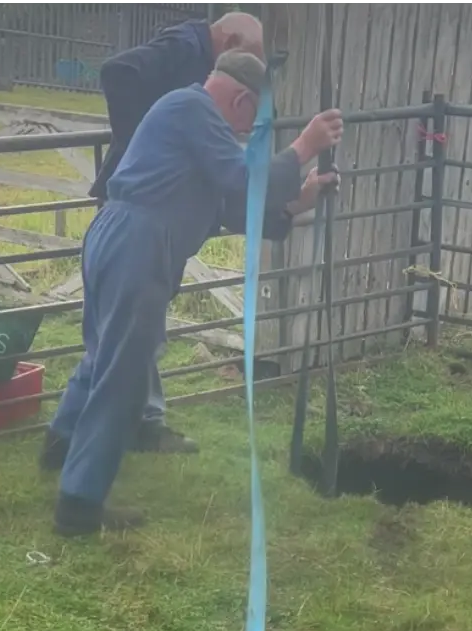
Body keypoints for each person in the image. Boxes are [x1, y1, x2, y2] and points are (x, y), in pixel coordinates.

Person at [50, 53, 343, 537]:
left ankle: (62, 443)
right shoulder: (194, 110)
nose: (251, 132)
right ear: (241, 100)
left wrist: (299, 198)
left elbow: (233, 205)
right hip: (138, 242)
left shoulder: (190, 117)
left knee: (105, 352)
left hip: (123, 235)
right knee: (124, 374)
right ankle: (78, 504)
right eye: (256, 119)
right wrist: (304, 147)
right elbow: (245, 179)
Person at [41, 12, 267, 470]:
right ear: (229, 40)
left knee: (119, 341)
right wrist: (140, 142)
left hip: (147, 215)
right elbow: (118, 72)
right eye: (244, 55)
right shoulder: (186, 56)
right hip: (141, 216)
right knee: (125, 349)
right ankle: (83, 491)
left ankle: (66, 444)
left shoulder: (193, 85)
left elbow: (227, 187)